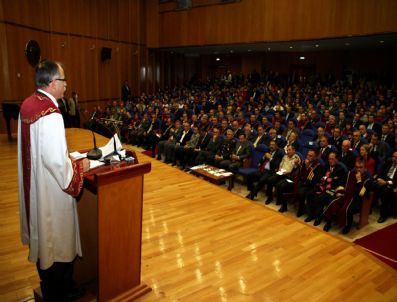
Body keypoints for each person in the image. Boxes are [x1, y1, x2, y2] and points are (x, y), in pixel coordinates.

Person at [18, 60, 90, 301]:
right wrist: (80, 166)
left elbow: (41, 152)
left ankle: (56, 288)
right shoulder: (51, 114)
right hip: (51, 191)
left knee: (44, 240)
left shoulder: (28, 105)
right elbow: (58, 166)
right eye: (62, 80)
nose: (66, 85)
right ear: (51, 83)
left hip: (35, 185)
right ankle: (60, 292)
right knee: (57, 241)